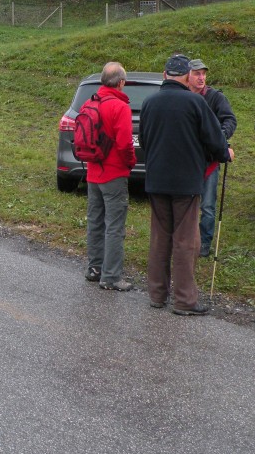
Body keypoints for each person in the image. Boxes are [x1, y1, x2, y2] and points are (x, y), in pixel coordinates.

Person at [139, 53, 233, 315]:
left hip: (156, 179)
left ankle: (157, 295)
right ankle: (184, 301)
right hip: (186, 182)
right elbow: (215, 140)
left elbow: (144, 140)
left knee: (159, 238)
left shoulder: (149, 102)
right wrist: (225, 153)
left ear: (165, 74)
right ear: (185, 76)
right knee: (185, 240)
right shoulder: (194, 102)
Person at [84, 61, 137, 291]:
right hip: (114, 174)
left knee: (95, 222)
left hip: (93, 172)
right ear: (121, 82)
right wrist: (131, 163)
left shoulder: (90, 102)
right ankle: (111, 276)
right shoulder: (120, 107)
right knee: (114, 226)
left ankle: (95, 268)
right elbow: (125, 143)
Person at [188, 58, 237, 257]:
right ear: (187, 76)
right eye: (197, 74)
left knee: (207, 205)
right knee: (187, 204)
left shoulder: (216, 97)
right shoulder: (183, 96)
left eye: (203, 74)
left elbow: (230, 120)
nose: (201, 78)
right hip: (188, 160)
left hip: (209, 160)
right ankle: (187, 240)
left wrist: (220, 137)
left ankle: (205, 244)